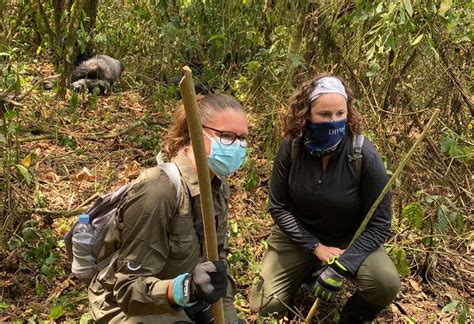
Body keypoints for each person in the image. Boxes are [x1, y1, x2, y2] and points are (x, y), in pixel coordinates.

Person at [249, 75, 400, 322]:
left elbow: (380, 223)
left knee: (384, 283)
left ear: (349, 113)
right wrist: (316, 248)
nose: (334, 122)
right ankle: (307, 271)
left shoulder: (363, 154)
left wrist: (344, 265)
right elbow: (278, 207)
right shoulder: (292, 148)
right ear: (306, 114)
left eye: (340, 114)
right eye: (325, 114)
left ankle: (352, 317)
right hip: (298, 234)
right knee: (266, 305)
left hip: (348, 237)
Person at [88, 94, 248, 323]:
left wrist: (227, 318)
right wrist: (186, 289)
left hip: (186, 300)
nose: (237, 146)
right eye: (227, 136)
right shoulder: (158, 192)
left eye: (243, 139)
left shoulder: (218, 187)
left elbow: (217, 266)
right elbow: (127, 291)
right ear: (195, 132)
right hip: (130, 308)